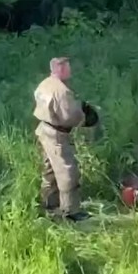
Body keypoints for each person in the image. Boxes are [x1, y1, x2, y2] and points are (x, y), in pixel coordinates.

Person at [33, 57, 96, 222]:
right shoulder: (62, 91)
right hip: (56, 135)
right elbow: (69, 116)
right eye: (68, 67)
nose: (70, 70)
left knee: (49, 170)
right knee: (67, 171)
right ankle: (70, 210)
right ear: (60, 69)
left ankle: (49, 204)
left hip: (43, 129)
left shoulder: (44, 84)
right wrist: (84, 118)